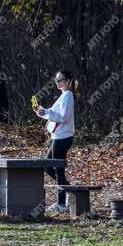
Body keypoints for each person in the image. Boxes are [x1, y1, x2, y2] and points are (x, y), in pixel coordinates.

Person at [33, 70, 77, 214]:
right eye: (56, 80)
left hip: (63, 137)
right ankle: (70, 193)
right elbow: (53, 114)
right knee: (48, 166)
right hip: (57, 136)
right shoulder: (63, 96)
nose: (58, 82)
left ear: (68, 80)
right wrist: (42, 112)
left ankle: (62, 203)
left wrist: (49, 113)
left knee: (58, 169)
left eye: (60, 80)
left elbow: (64, 117)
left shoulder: (68, 95)